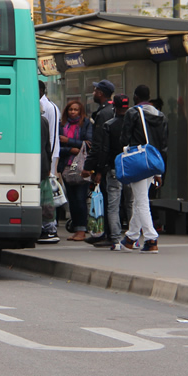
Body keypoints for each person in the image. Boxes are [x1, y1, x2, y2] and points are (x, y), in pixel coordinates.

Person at [118, 85, 167, 254]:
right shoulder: (160, 115)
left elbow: (124, 138)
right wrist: (159, 172)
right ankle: (130, 239)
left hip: (138, 161)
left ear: (136, 96)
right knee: (141, 199)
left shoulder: (132, 113)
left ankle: (151, 238)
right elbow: (163, 145)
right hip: (154, 161)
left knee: (141, 202)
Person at [89, 94, 130, 249]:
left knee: (113, 205)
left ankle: (115, 239)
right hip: (131, 169)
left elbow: (104, 149)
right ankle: (133, 237)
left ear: (115, 107)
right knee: (131, 203)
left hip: (114, 168)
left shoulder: (109, 125)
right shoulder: (134, 124)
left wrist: (99, 169)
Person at [83, 79, 115, 245]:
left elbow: (100, 144)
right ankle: (102, 233)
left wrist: (92, 168)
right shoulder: (111, 110)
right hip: (112, 163)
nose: (93, 93)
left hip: (105, 164)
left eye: (95, 90)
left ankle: (108, 236)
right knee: (106, 199)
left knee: (107, 200)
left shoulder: (103, 114)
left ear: (101, 93)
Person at [59, 99, 94, 241]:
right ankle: (76, 228)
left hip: (82, 167)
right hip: (67, 166)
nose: (72, 112)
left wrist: (69, 142)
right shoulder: (62, 125)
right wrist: (70, 149)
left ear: (80, 111)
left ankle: (82, 230)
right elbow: (56, 145)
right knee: (72, 199)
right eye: (70, 109)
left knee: (80, 198)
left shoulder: (86, 124)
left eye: (75, 110)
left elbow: (89, 144)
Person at [37, 95, 59, 244]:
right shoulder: (43, 121)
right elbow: (47, 146)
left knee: (41, 199)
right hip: (43, 165)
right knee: (45, 199)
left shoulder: (32, 121)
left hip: (35, 166)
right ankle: (49, 226)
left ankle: (45, 226)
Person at [39, 80, 61, 177]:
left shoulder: (50, 107)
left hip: (49, 154)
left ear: (41, 90)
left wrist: (49, 158)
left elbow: (53, 134)